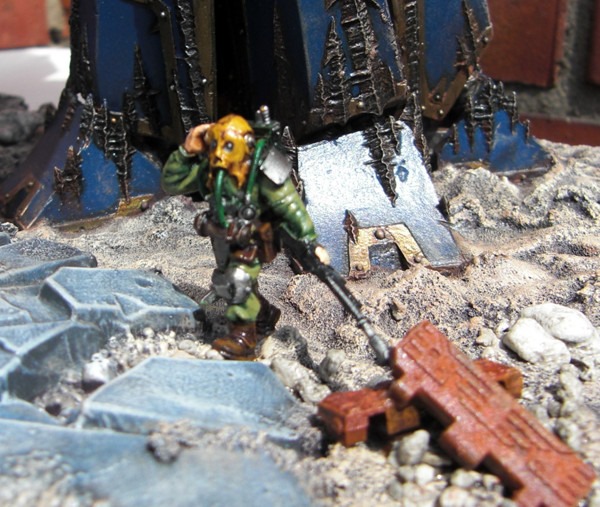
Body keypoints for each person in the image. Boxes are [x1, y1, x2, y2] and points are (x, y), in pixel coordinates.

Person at [162, 110, 329, 359]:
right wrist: (186, 151)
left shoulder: (262, 171)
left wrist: (310, 241)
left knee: (236, 281)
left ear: (246, 145)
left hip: (253, 236)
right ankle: (264, 315)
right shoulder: (212, 169)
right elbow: (172, 183)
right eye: (216, 145)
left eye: (228, 146)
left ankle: (243, 338)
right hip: (223, 235)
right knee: (225, 280)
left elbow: (290, 206)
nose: (220, 153)